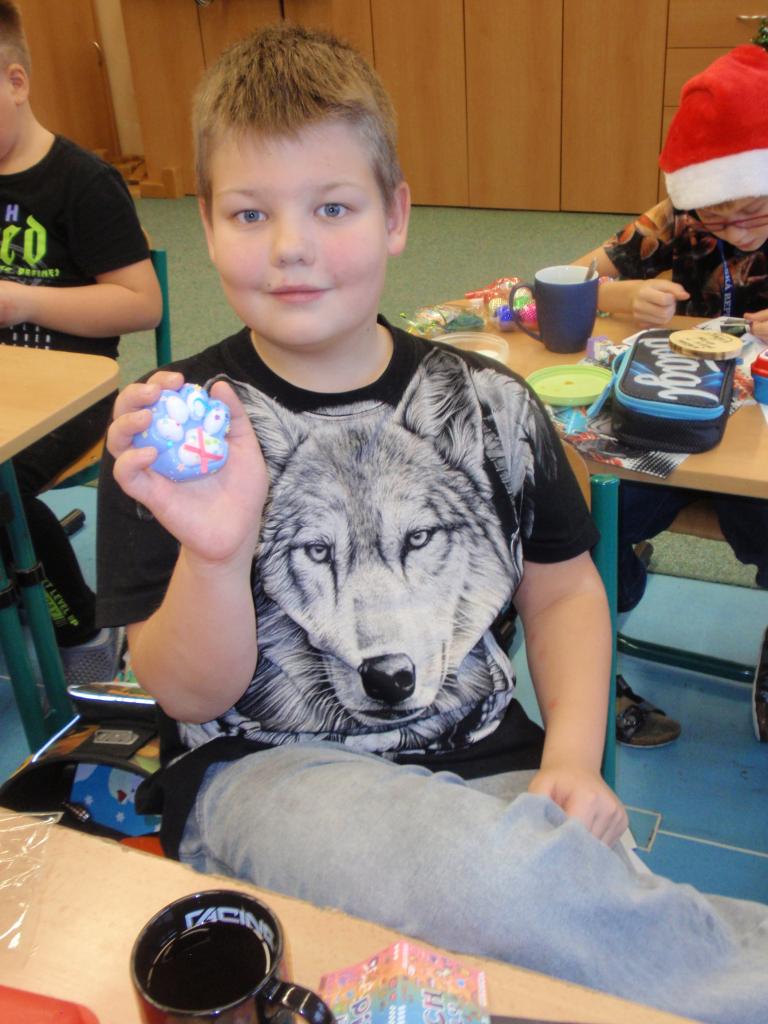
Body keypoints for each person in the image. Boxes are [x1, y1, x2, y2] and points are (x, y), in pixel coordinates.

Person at [97, 25, 767, 1023]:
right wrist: (217, 549)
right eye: (250, 212)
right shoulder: (176, 433)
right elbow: (191, 693)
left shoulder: (491, 403)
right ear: (204, 223)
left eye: (333, 206)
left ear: (397, 215)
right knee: (510, 890)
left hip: (488, 757)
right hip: (271, 773)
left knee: (564, 924)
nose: (290, 245)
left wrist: (572, 759)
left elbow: (563, 588)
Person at [574, 44, 768, 743]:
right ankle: (602, 638)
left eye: (753, 209)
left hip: (754, 457)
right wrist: (624, 295)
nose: (735, 230)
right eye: (718, 216)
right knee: (591, 516)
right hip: (667, 433)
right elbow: (562, 283)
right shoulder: (679, 217)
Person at [0, 0, 161, 684]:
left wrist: (22, 301)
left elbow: (142, 303)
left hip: (76, 390)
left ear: (15, 82)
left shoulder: (82, 183)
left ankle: (83, 629)